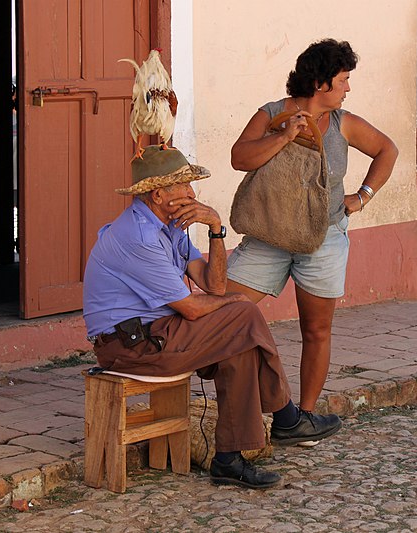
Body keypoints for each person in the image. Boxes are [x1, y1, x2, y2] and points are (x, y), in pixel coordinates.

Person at [82, 145, 342, 490]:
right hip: (129, 346)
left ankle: (229, 460)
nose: (192, 193)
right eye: (184, 186)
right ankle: (285, 417)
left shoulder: (170, 227)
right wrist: (237, 301)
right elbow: (192, 307)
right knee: (243, 313)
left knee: (238, 344)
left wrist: (216, 227)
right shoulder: (138, 237)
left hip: (159, 333)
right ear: (158, 194)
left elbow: (213, 285)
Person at [227, 39, 398, 415]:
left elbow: (388, 149)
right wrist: (283, 135)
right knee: (224, 312)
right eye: (343, 80)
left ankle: (302, 417)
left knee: (316, 331)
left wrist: (363, 196)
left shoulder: (344, 124)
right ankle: (246, 403)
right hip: (269, 235)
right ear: (321, 84)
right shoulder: (271, 113)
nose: (348, 88)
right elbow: (240, 158)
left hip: (325, 238)